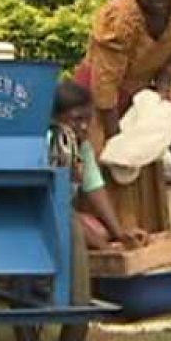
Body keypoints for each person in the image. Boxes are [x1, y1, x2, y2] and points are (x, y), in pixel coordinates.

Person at [74, 0, 171, 234]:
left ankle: (147, 229)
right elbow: (105, 84)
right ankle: (111, 233)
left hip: (139, 96)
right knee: (108, 160)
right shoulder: (119, 18)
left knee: (146, 157)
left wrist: (161, 98)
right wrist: (116, 137)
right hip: (99, 98)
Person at [50, 82, 148, 248]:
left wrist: (120, 234)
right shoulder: (50, 146)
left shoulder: (82, 147)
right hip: (49, 213)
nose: (84, 126)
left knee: (101, 231)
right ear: (56, 119)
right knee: (85, 232)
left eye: (88, 119)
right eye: (76, 120)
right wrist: (105, 248)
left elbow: (95, 187)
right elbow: (57, 208)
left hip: (66, 214)